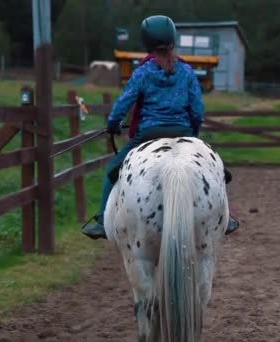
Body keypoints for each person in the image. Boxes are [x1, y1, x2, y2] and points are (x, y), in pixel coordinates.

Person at [82, 15, 240, 240]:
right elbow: (197, 110)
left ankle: (100, 221)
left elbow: (123, 103)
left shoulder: (142, 72)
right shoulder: (186, 72)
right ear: (173, 40)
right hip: (183, 132)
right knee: (216, 169)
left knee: (112, 170)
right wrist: (194, 131)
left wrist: (112, 125)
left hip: (148, 134)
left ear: (147, 43)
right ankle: (226, 217)